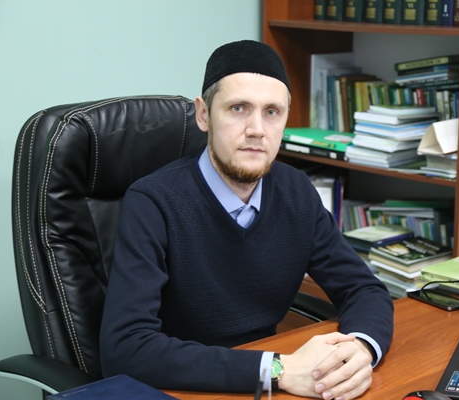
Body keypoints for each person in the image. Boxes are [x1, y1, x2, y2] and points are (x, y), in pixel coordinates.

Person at [99, 39, 394, 400]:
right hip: (184, 389)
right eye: (238, 108)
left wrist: (360, 349)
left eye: (272, 112)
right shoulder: (152, 202)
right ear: (203, 114)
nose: (257, 129)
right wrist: (277, 370)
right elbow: (125, 348)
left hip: (270, 383)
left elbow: (363, 288)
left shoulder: (296, 191)